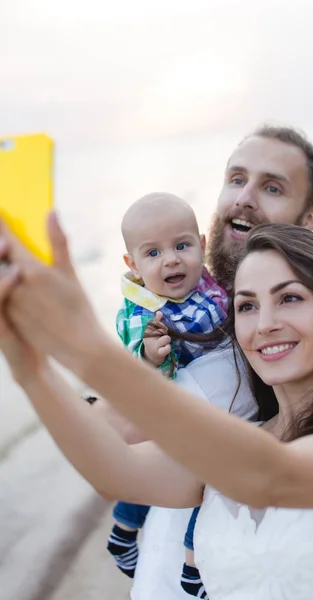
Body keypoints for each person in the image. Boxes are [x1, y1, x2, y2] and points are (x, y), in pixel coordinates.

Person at [7, 124, 313, 600]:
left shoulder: (300, 328)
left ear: (309, 219)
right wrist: (33, 360)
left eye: (272, 187)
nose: (244, 197)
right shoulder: (192, 296)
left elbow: (127, 441)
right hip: (168, 532)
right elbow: (116, 445)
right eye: (236, 178)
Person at [1, 220, 313, 600]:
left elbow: (273, 476)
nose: (264, 324)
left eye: (290, 298)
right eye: (246, 306)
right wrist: (29, 366)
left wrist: (88, 348)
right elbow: (113, 470)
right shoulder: (239, 444)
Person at [105, 192, 227, 592]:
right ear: (134, 266)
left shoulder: (209, 287)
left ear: (202, 246)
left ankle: (126, 532)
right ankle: (187, 564)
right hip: (177, 413)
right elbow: (130, 365)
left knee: (206, 477)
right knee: (205, 479)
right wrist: (151, 357)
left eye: (181, 245)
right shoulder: (144, 311)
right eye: (153, 253)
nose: (171, 259)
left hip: (210, 406)